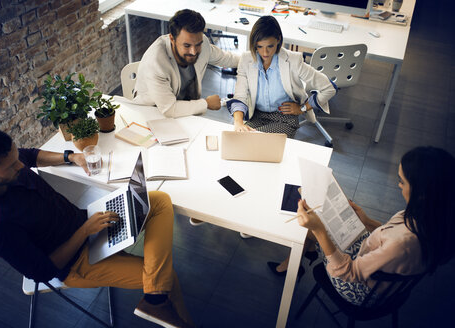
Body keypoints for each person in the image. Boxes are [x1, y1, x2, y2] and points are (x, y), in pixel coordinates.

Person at [0, 128, 193, 328]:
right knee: (166, 278)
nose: (20, 165)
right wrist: (84, 231)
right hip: (76, 263)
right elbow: (44, 272)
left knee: (159, 200)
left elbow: (31, 155)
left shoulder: (9, 166)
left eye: (16, 157)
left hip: (87, 221)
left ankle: (154, 297)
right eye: (13, 164)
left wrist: (72, 156)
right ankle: (160, 304)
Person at [273, 146, 455, 306]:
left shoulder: (402, 245)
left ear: (421, 193)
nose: (398, 185)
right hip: (375, 261)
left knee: (311, 229)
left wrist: (319, 230)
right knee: (317, 226)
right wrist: (367, 222)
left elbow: (348, 272)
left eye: (401, 181)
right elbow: (393, 236)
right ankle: (300, 258)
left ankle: (294, 263)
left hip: (360, 288)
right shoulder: (434, 215)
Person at [229, 16, 336, 138]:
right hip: (256, 116)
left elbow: (329, 88)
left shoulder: (293, 61)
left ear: (278, 40)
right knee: (241, 139)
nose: (264, 53)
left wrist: (302, 108)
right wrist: (238, 123)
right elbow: (240, 96)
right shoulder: (246, 59)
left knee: (255, 140)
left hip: (284, 119)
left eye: (270, 46)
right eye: (259, 47)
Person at [133, 9, 240, 118]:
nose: (193, 52)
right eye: (187, 46)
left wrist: (254, 57)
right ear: (172, 39)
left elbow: (226, 58)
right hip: (152, 112)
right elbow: (169, 109)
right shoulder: (156, 62)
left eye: (198, 44)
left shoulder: (202, 43)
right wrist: (206, 103)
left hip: (183, 111)